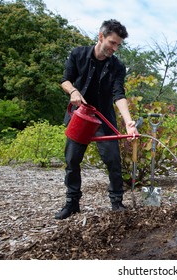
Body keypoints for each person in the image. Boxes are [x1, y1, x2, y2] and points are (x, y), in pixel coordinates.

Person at [55, 19, 137, 219]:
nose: (115, 48)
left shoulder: (117, 66)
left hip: (103, 118)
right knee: (72, 160)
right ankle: (72, 203)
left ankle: (117, 203)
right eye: (112, 43)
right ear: (101, 37)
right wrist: (73, 91)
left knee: (113, 161)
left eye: (118, 45)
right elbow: (65, 80)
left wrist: (128, 122)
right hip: (80, 116)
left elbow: (119, 94)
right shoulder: (78, 54)